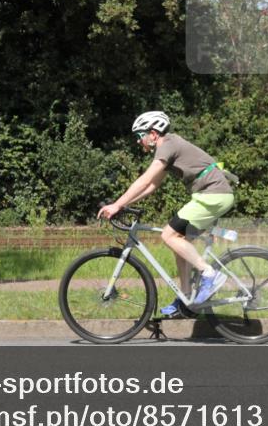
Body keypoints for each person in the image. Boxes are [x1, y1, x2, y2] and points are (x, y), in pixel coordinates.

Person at [98, 111, 235, 317]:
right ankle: (186, 300)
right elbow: (152, 186)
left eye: (139, 136)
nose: (138, 142)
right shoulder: (168, 147)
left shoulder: (168, 145)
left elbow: (144, 180)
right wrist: (124, 204)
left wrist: (117, 205)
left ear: (153, 134)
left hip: (212, 195)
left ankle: (210, 274)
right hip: (210, 195)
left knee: (168, 235)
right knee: (178, 242)